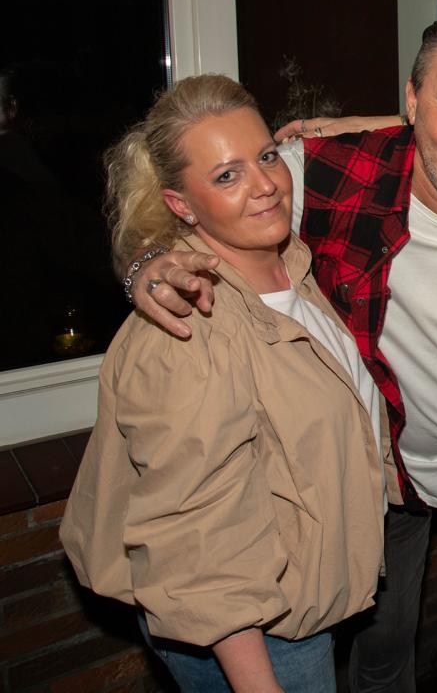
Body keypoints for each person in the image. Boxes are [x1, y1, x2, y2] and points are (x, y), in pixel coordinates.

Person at [126, 7, 437, 693]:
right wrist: (145, 265)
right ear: (412, 100)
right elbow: (184, 201)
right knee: (384, 636)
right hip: (381, 468)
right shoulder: (325, 175)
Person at [59, 74, 386, 693]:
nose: (265, 185)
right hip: (257, 636)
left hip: (299, 598)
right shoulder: (189, 327)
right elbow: (197, 537)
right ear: (181, 205)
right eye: (227, 175)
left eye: (267, 157)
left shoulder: (288, 266)